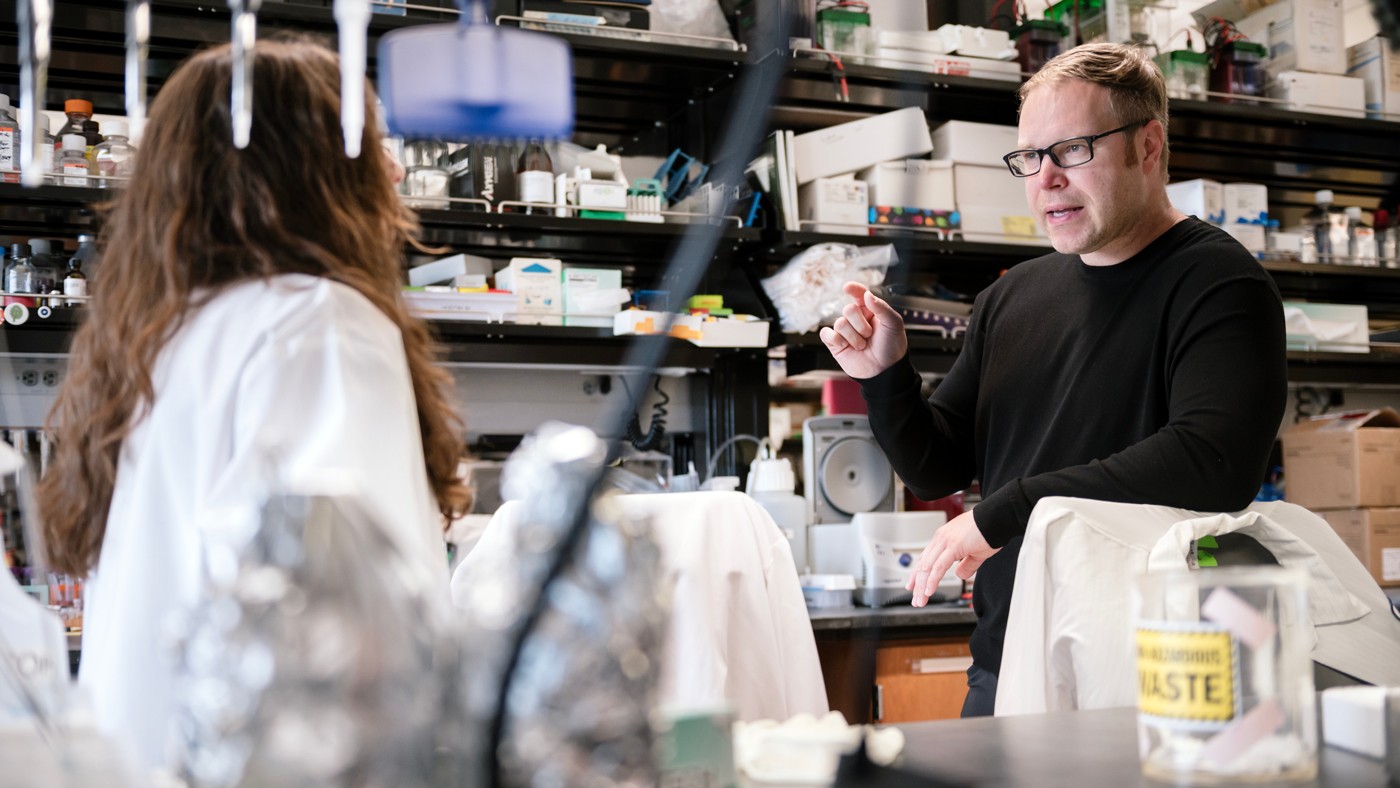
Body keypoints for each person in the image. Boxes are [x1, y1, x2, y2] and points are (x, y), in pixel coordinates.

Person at [35, 39, 470, 772]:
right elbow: (334, 633)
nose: (394, 169)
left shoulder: (163, 336)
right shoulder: (317, 324)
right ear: (315, 170)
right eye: (373, 142)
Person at [820, 43, 1286, 717]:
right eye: (1029, 158)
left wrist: (1006, 511)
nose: (1046, 180)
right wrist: (886, 376)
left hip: (1159, 671)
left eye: (1071, 150)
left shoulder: (1217, 282)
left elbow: (1212, 459)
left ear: (1147, 145)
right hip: (1009, 661)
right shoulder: (1012, 298)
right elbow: (934, 467)